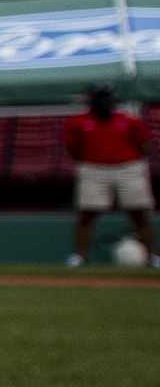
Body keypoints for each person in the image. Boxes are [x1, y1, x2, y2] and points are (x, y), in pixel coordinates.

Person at [65, 83, 153, 267]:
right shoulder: (79, 122)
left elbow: (145, 146)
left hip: (128, 168)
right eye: (97, 97)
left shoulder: (129, 120)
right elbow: (72, 149)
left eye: (104, 97)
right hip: (93, 169)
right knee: (87, 213)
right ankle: (79, 257)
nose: (101, 101)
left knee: (138, 212)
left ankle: (153, 256)